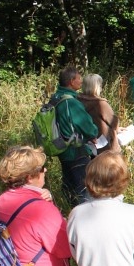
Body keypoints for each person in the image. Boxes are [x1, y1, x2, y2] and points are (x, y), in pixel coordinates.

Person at [52, 66, 98, 206]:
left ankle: (69, 213)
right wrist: (94, 132)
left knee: (69, 186)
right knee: (83, 189)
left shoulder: (56, 97)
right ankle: (83, 217)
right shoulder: (71, 102)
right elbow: (88, 128)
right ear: (72, 81)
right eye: (79, 78)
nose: (81, 81)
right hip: (75, 151)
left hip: (62, 148)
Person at [78, 73, 120, 154]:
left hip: (84, 143)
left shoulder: (77, 100)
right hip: (102, 144)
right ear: (96, 87)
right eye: (100, 85)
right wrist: (117, 129)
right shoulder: (101, 104)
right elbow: (114, 122)